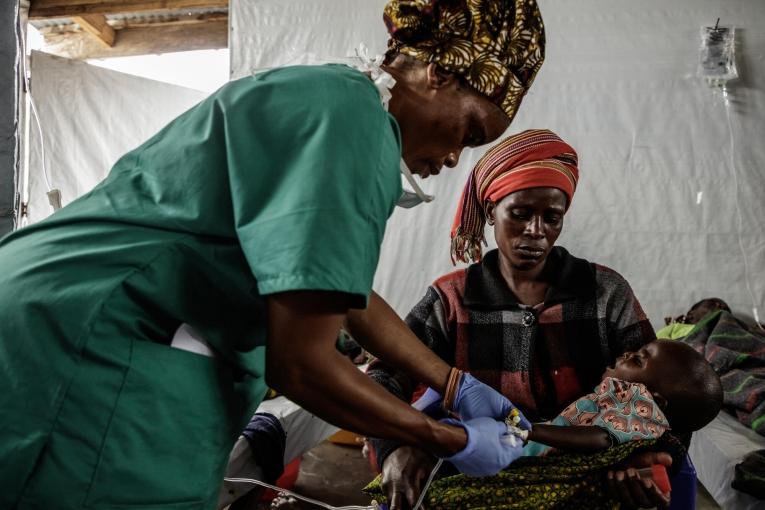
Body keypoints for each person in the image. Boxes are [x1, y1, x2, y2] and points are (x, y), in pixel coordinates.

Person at [0, 1, 546, 508]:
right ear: (440, 73)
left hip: (58, 306)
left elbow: (336, 290)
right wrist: (443, 437)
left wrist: (454, 384)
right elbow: (302, 362)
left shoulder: (333, 100)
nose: (454, 157)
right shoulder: (352, 128)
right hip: (85, 338)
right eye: (469, 131)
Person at [367, 129, 682, 509]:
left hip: (580, 476)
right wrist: (394, 448)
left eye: (552, 218)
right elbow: (384, 375)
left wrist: (644, 454)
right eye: (519, 214)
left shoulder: (606, 293)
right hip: (477, 470)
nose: (536, 232)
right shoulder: (451, 299)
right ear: (489, 212)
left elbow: (666, 393)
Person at [522, 339, 723, 456]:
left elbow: (601, 437)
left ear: (654, 400)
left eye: (637, 360)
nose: (627, 353)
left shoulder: (642, 410)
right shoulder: (619, 401)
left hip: (532, 460)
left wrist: (529, 430)